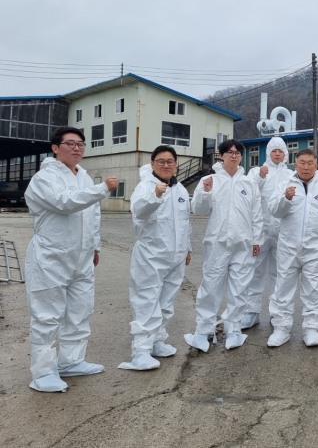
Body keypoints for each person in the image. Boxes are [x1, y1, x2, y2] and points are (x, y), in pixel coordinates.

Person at [23, 126, 119, 392]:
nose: (77, 148)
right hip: (51, 256)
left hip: (82, 257)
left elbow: (92, 216)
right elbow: (64, 202)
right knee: (47, 315)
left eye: (80, 144)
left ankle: (71, 361)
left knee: (79, 311)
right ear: (55, 148)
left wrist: (95, 246)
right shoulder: (44, 178)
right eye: (70, 143)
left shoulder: (84, 177)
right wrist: (102, 189)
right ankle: (42, 373)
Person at [184, 140, 262, 352]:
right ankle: (203, 331)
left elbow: (256, 214)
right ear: (221, 155)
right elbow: (198, 209)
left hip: (243, 244)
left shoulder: (249, 183)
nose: (234, 156)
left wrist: (257, 240)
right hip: (217, 243)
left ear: (241, 157)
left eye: (237, 153)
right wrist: (205, 193)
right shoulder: (209, 180)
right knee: (211, 286)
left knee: (240, 287)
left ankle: (234, 329)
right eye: (229, 152)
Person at [118, 146, 192, 371]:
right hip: (151, 256)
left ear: (176, 163)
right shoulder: (145, 187)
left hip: (175, 256)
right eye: (161, 161)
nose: (166, 165)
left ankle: (157, 340)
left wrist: (186, 249)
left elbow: (184, 222)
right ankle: (140, 350)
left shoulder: (179, 189)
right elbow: (139, 211)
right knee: (146, 302)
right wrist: (155, 195)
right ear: (152, 164)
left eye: (170, 161)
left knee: (166, 302)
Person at [266, 148, 318, 347]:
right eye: (302, 163)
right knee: (283, 287)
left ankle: (311, 328)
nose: (306, 167)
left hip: (314, 247)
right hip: (288, 246)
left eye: (310, 163)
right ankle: (281, 328)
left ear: (316, 164)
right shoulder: (284, 185)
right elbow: (274, 210)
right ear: (295, 164)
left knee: (313, 287)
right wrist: (285, 198)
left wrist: (316, 234)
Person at [242, 137, 293, 329]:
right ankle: (251, 311)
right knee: (255, 271)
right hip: (260, 231)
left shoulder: (290, 174)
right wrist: (261, 177)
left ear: (285, 153)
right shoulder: (257, 171)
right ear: (268, 153)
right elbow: (246, 192)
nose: (277, 154)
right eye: (274, 151)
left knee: (279, 273)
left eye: (280, 151)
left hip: (282, 232)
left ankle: (277, 313)